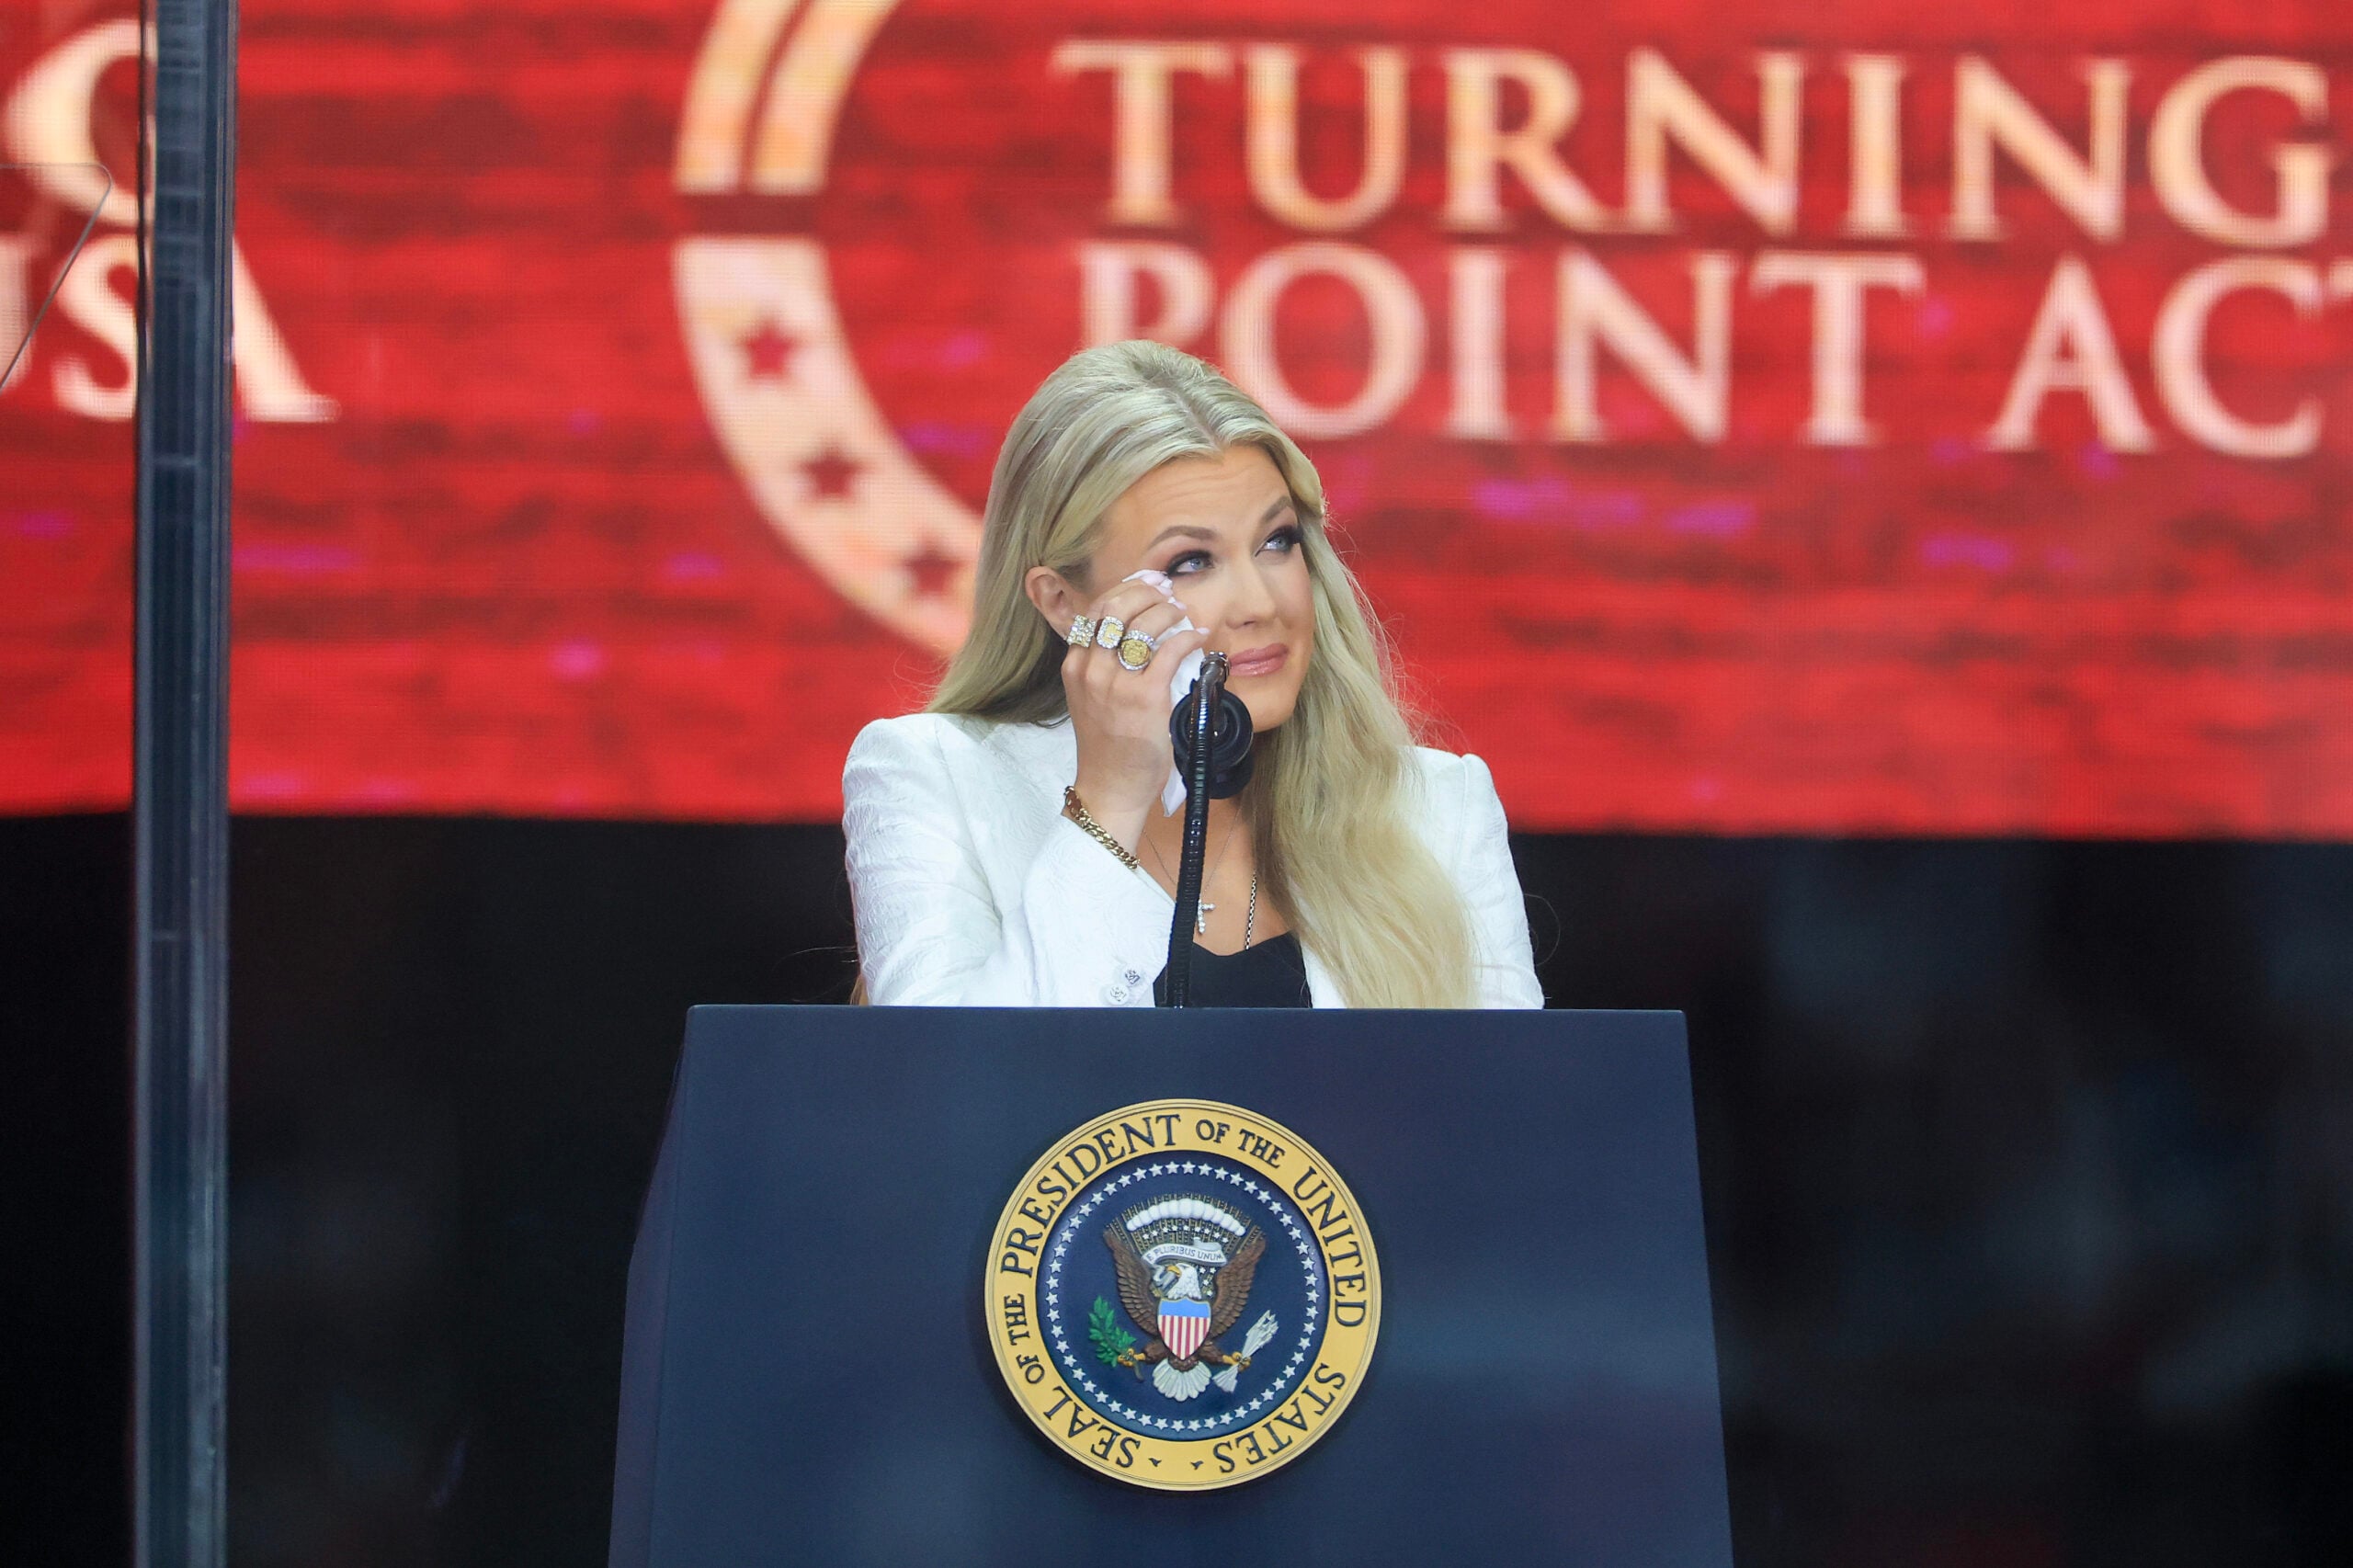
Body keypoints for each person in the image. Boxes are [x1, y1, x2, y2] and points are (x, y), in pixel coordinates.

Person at [842, 341, 1540, 1008]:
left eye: (1276, 542)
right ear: (1062, 603)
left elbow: (1509, 1089)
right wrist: (1109, 801)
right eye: (1191, 562)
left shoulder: (1439, 809)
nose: (1261, 604)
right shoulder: (932, 779)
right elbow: (956, 1072)